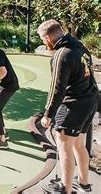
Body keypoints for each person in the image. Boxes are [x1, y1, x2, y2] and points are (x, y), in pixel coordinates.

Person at [38, 20, 98, 194]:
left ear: (48, 37)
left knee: (64, 148)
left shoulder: (61, 54)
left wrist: (48, 114)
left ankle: (66, 189)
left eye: (42, 39)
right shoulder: (80, 47)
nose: (43, 42)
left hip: (73, 105)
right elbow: (91, 75)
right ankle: (84, 184)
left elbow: (57, 88)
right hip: (89, 100)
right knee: (79, 145)